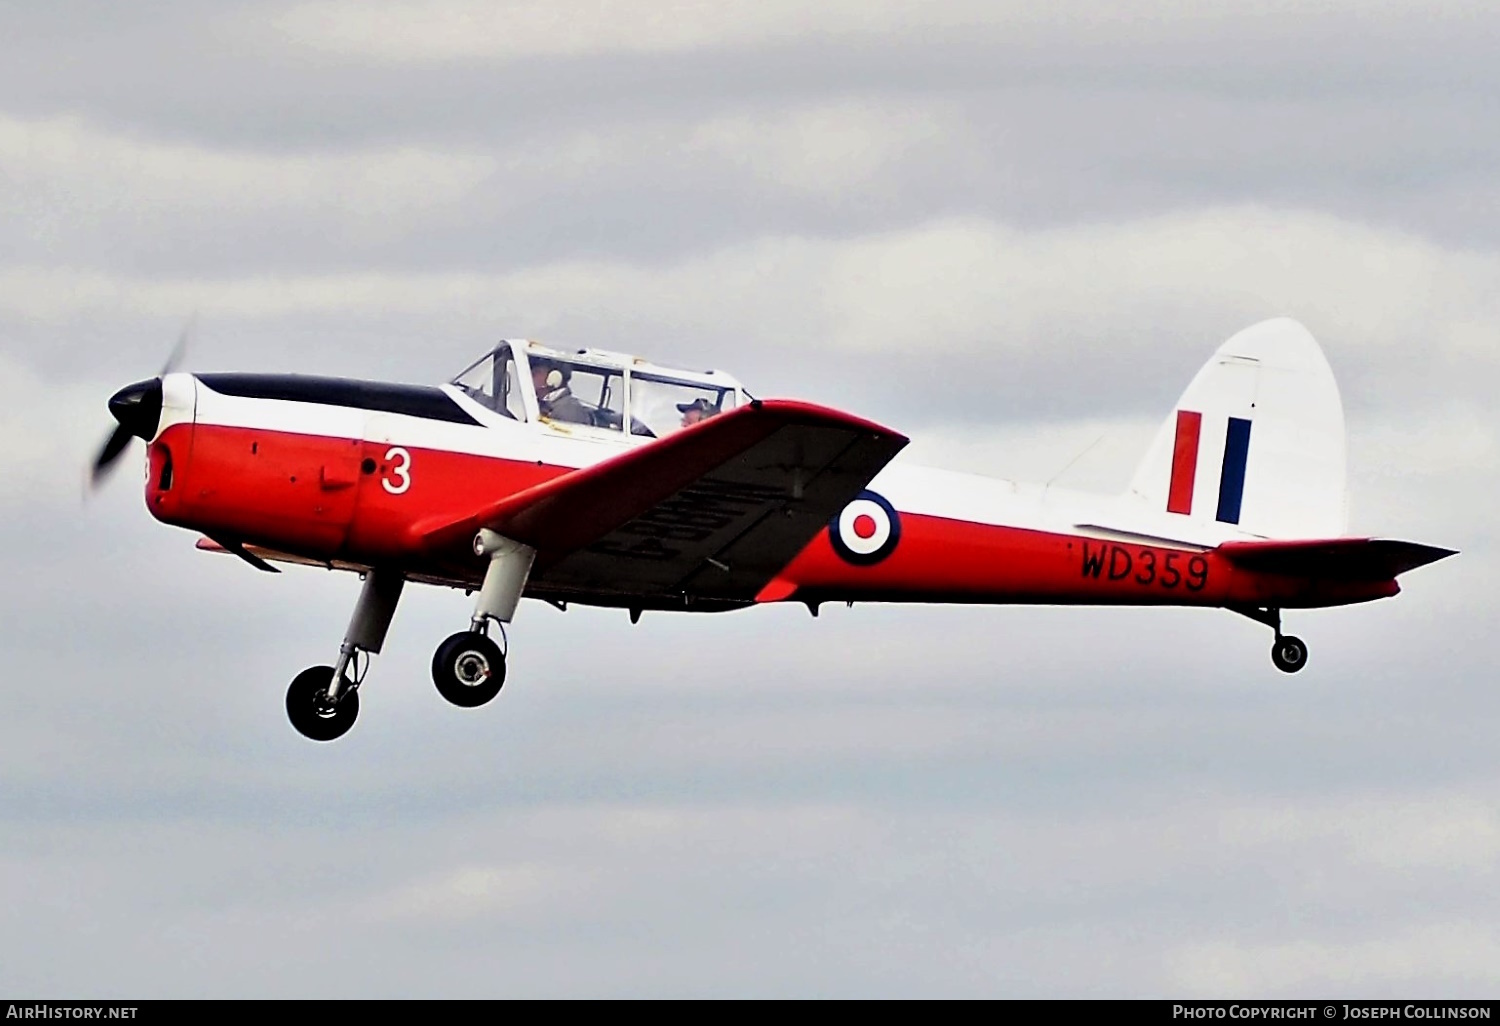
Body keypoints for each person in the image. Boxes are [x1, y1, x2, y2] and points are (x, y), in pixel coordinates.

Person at [531, 360, 592, 425]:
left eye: (535, 373)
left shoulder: (569, 410)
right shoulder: (539, 403)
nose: (530, 375)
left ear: (553, 378)